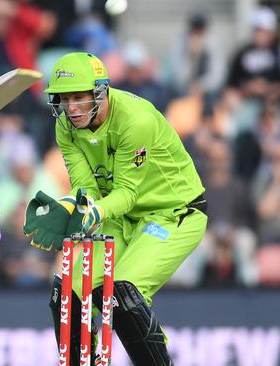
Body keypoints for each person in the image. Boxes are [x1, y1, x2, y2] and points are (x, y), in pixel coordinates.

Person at [23, 52, 208, 365]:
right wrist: (71, 205)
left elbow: (127, 193)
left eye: (80, 97)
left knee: (122, 293)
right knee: (69, 293)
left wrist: (93, 212)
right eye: (65, 99)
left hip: (173, 212)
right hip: (119, 215)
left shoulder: (136, 120)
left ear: (100, 91)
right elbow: (87, 188)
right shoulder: (66, 126)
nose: (72, 108)